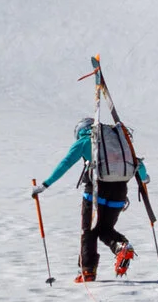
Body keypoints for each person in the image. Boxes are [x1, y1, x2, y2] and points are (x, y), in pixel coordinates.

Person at [38, 116, 148, 283]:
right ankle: (121, 246)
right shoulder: (117, 140)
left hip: (95, 191)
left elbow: (66, 163)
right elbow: (138, 163)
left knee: (89, 231)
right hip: (119, 192)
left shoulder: (85, 140)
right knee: (105, 229)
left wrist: (45, 184)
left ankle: (87, 272)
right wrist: (145, 178)